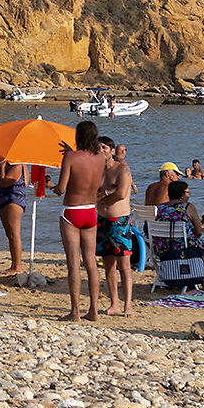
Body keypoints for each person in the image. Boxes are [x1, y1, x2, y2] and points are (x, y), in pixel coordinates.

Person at [56, 120, 108, 322]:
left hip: (71, 211)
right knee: (91, 262)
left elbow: (62, 188)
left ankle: (75, 311)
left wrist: (54, 187)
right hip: (90, 210)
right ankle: (94, 310)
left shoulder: (70, 157)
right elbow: (98, 182)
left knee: (73, 263)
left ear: (78, 136)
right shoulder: (100, 158)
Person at [95, 138, 139, 317]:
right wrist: (105, 194)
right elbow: (89, 193)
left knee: (124, 265)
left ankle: (128, 304)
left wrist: (102, 196)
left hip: (119, 221)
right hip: (102, 220)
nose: (101, 151)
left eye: (104, 148)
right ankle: (114, 303)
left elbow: (120, 194)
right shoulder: (97, 172)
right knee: (108, 266)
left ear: (112, 151)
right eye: (97, 148)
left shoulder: (122, 170)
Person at [0, 148, 34, 281]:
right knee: (10, 235)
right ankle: (14, 264)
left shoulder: (18, 166)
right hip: (4, 202)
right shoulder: (12, 165)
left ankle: (18, 266)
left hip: (13, 202)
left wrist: (2, 168)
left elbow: (4, 182)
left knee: (14, 234)